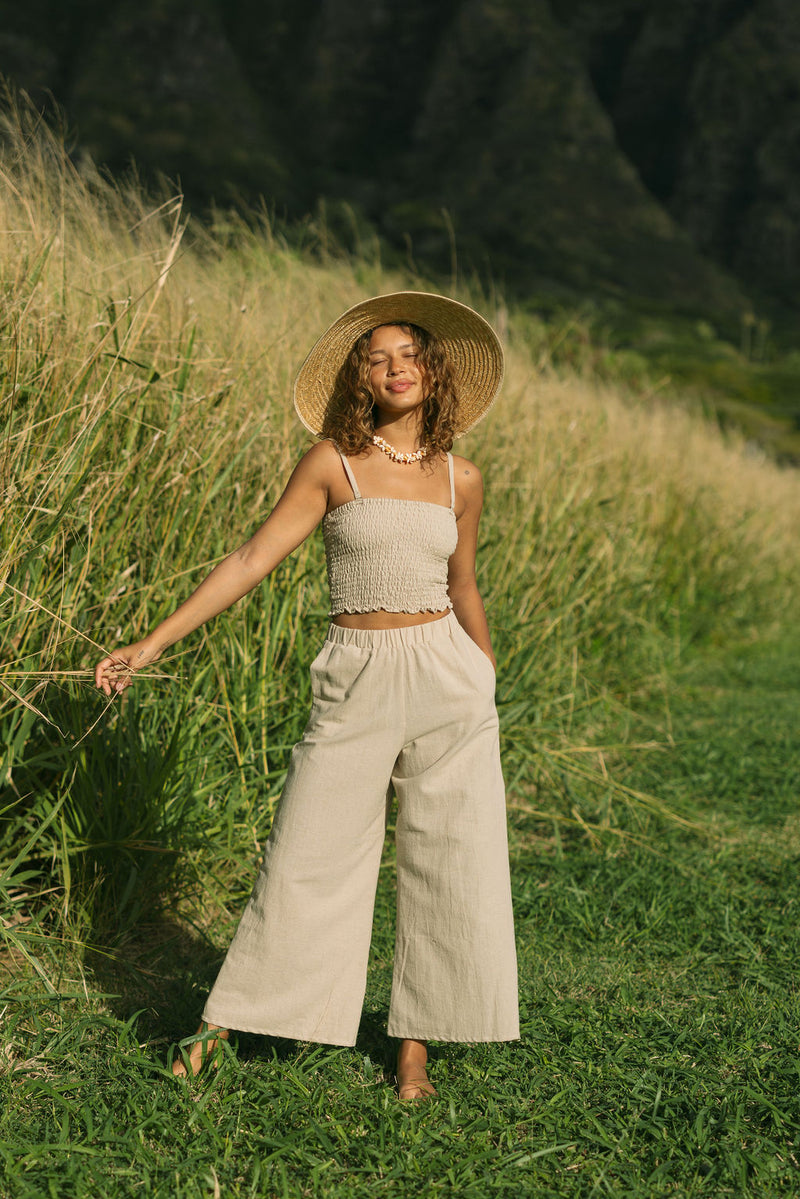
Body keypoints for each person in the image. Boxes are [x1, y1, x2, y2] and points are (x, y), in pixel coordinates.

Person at [95, 291, 519, 1100]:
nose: (394, 366)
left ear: (435, 370)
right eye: (377, 356)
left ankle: (413, 1052)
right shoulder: (333, 461)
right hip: (357, 670)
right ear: (363, 377)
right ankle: (221, 1026)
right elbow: (252, 557)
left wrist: (484, 674)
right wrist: (151, 642)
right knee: (305, 854)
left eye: (408, 353)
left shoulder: (464, 477)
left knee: (448, 859)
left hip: (449, 678)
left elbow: (465, 585)